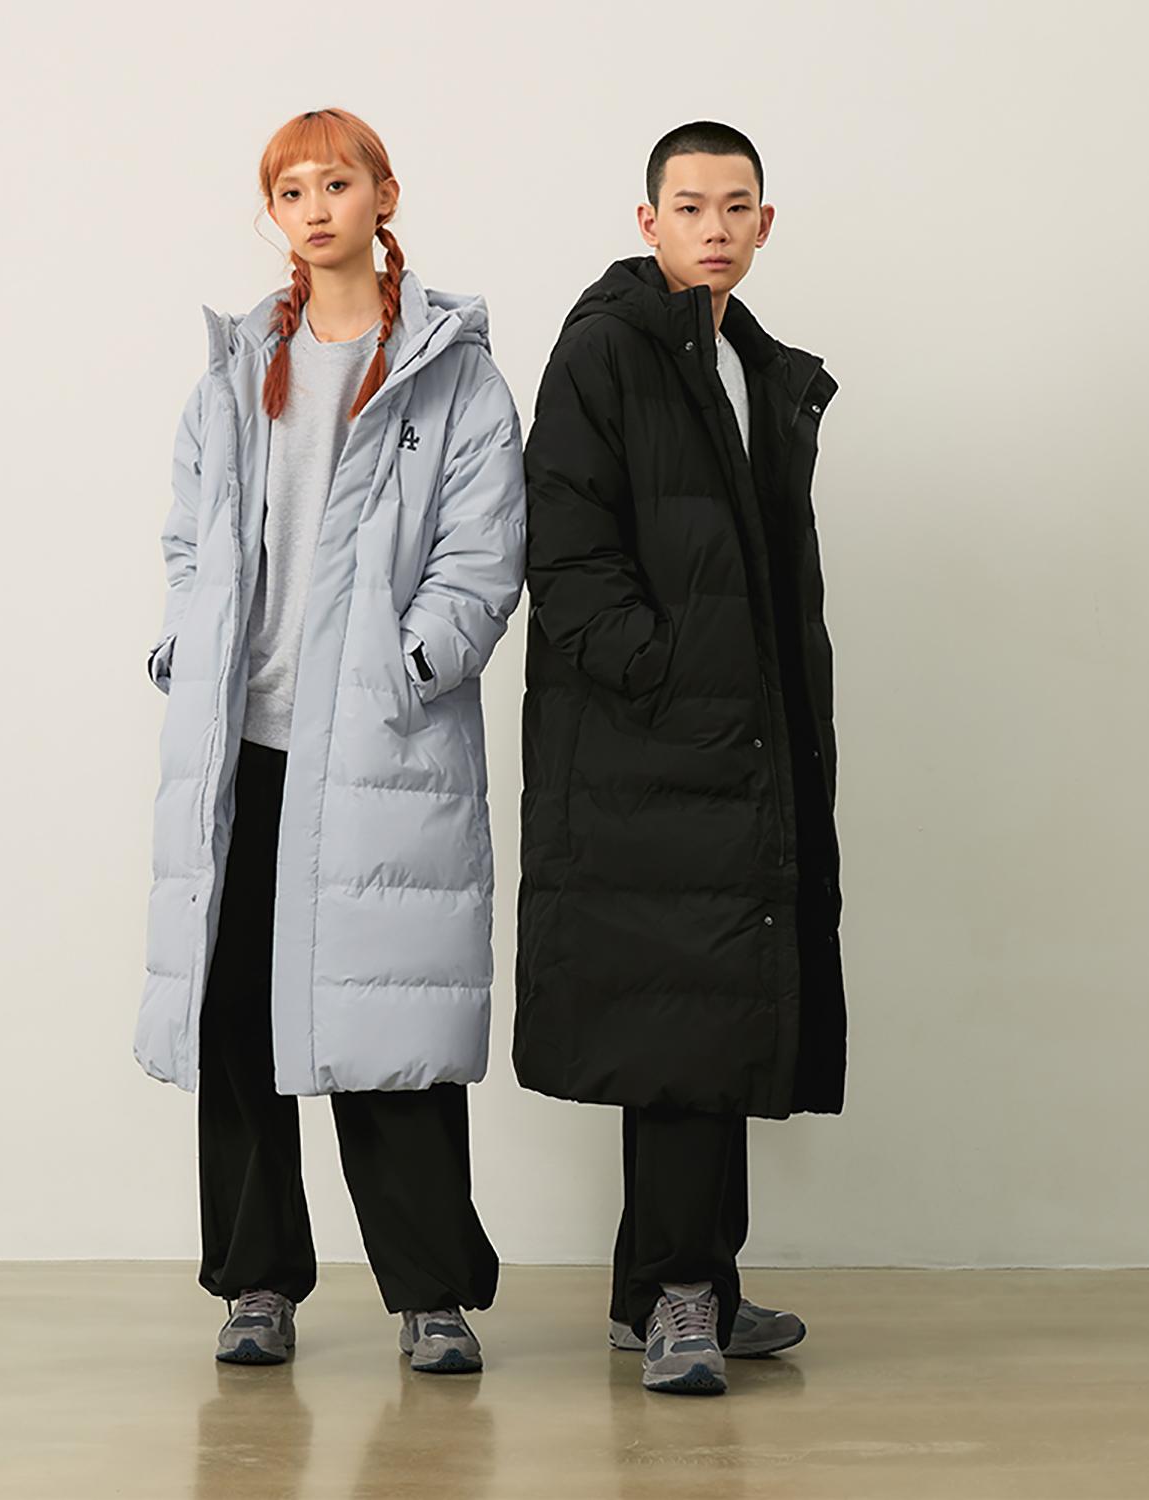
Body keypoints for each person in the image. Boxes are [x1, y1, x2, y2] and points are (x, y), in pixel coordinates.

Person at [135, 108, 527, 1375]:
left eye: (336, 182)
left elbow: (484, 555)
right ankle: (257, 1284)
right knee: (238, 1021)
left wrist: (409, 667)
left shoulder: (452, 374)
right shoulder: (233, 374)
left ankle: (431, 1294)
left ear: (383, 196)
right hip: (244, 743)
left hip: (377, 746)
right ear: (274, 214)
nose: (314, 207)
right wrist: (187, 647)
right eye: (290, 189)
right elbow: (190, 542)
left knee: (387, 1020)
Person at [513, 120, 846, 1395]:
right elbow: (567, 554)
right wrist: (665, 675)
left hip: (737, 752)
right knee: (683, 1028)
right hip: (652, 752)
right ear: (648, 221)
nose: (716, 226)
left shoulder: (750, 364)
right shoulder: (608, 351)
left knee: (714, 1015)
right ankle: (680, 1302)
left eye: (737, 205)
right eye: (691, 206)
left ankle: (671, 1287)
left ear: (766, 222)